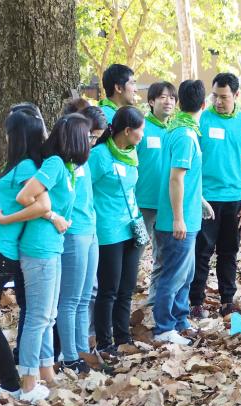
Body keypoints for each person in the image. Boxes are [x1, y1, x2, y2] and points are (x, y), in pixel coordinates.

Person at [0, 113, 91, 402]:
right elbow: (25, 196)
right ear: (75, 139)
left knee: (49, 315)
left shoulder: (66, 167)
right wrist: (53, 216)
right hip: (39, 248)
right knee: (37, 317)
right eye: (87, 136)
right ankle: (28, 382)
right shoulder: (55, 164)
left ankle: (46, 373)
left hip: (52, 245)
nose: (90, 141)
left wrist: (59, 218)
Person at [0, 109, 48, 398]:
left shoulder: (27, 167)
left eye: (8, 132)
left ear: (18, 136)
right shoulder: (21, 166)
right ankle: (10, 379)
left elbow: (43, 205)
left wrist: (5, 219)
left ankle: (10, 383)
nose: (5, 137)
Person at [189, 73, 241, 319]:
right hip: (206, 199)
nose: (218, 102)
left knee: (229, 252)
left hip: (236, 198)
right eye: (215, 96)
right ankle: (196, 302)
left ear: (236, 95)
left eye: (224, 97)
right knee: (201, 252)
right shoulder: (201, 119)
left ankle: (227, 301)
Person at [55, 102, 108, 374]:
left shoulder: (85, 159)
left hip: (90, 231)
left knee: (86, 296)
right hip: (74, 233)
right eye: (90, 136)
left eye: (96, 137)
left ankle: (81, 352)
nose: (93, 142)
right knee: (71, 298)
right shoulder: (63, 162)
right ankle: (70, 356)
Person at [152, 80, 206, 345]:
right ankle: (164, 328)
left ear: (180, 102)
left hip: (189, 215)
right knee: (172, 276)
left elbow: (187, 178)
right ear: (203, 105)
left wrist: (200, 201)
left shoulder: (177, 129)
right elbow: (176, 178)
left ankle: (180, 320)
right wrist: (178, 218)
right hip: (177, 219)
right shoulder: (185, 135)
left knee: (185, 275)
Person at [90, 106, 145, 354]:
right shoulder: (100, 155)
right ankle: (105, 342)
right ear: (127, 130)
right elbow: (83, 189)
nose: (142, 135)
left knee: (127, 288)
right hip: (108, 230)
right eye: (140, 130)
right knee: (108, 290)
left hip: (131, 228)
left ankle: (123, 338)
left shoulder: (131, 153)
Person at [138, 81, 177, 304]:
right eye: (162, 97)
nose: (168, 101)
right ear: (151, 102)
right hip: (142, 203)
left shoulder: (175, 129)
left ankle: (155, 299)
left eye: (171, 98)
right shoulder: (140, 127)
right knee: (135, 252)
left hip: (168, 204)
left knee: (162, 254)